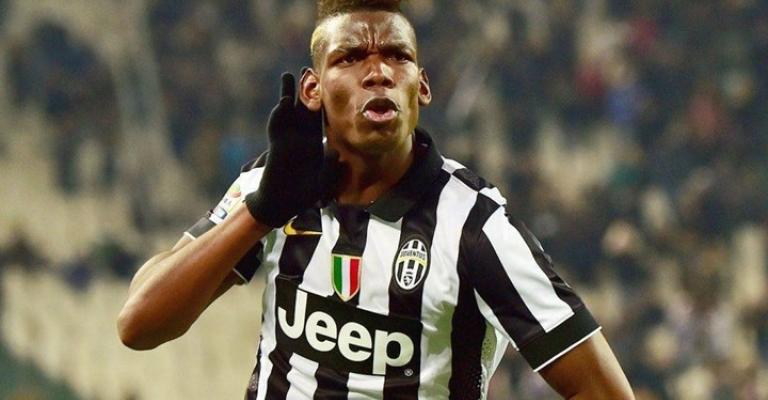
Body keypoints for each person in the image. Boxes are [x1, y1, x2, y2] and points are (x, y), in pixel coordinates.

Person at [117, 1, 635, 398]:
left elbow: (604, 390)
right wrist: (261, 213)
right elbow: (139, 324)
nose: (378, 72)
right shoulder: (273, 188)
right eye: (350, 58)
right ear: (313, 90)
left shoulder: (477, 228)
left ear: (421, 87)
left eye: (397, 56)